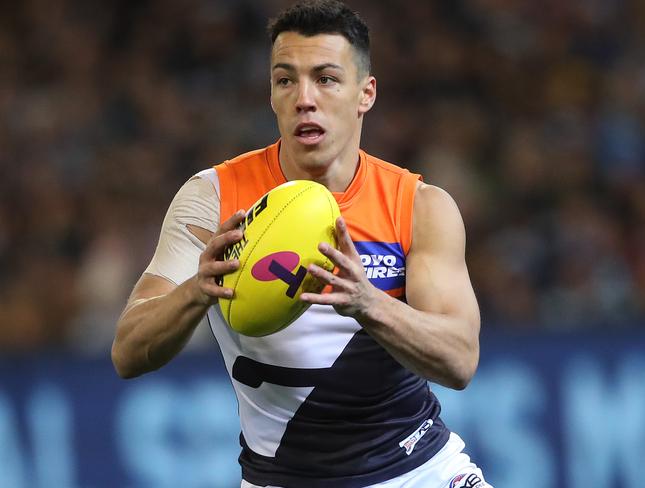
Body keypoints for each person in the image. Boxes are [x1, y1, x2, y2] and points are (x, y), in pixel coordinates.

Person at [111, 1, 491, 487]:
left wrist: (367, 303)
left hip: (419, 472)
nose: (304, 99)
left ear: (365, 93)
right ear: (271, 93)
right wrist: (196, 291)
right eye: (285, 79)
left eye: (327, 79)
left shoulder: (418, 206)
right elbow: (127, 352)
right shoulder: (213, 201)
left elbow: (460, 361)